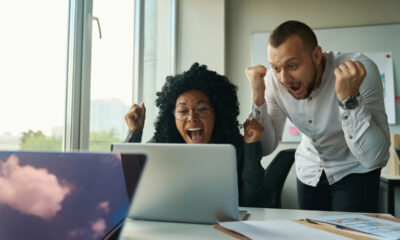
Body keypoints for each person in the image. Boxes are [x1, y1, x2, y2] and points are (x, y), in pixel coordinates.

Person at [245, 20, 390, 212]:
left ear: (316, 55)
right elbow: (265, 147)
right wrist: (258, 98)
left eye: (292, 66)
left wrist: (349, 100)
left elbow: (375, 158)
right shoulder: (274, 81)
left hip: (355, 170)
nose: (284, 79)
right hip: (309, 173)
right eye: (277, 68)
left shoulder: (359, 70)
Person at [125, 63, 265, 207]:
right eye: (183, 111)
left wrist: (252, 146)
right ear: (172, 116)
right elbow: (125, 187)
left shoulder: (235, 147)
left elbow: (253, 201)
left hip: (222, 226)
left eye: (202, 109)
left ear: (217, 113)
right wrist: (134, 133)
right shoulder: (162, 144)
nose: (192, 117)